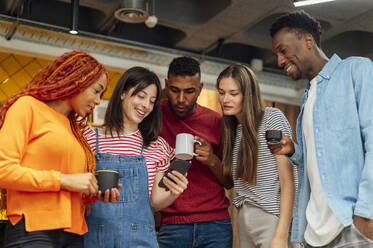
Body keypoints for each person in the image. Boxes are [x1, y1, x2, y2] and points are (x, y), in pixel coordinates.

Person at [270, 10, 373, 247]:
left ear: (308, 41)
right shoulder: (307, 98)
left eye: (283, 50)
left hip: (351, 225)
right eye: (276, 54)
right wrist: (293, 151)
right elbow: (322, 162)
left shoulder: (357, 70)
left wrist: (367, 212)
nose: (279, 61)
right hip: (313, 234)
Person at [0, 50, 110, 247]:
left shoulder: (74, 130)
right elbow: (3, 170)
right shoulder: (27, 107)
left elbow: (67, 187)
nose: (98, 101)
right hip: (32, 229)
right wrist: (64, 180)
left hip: (73, 234)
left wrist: (92, 192)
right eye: (96, 91)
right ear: (76, 80)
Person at [82, 66, 188, 248]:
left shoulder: (157, 146)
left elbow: (154, 203)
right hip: (94, 239)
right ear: (123, 93)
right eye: (141, 96)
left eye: (152, 101)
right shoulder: (89, 138)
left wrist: (174, 192)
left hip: (141, 242)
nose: (146, 105)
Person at [216, 64, 296, 248]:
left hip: (271, 219)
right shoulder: (234, 130)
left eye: (233, 93)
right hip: (244, 220)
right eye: (221, 92)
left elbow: (288, 182)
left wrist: (281, 236)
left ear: (248, 94)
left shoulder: (271, 118)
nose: (225, 99)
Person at [157, 56, 233, 248]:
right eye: (174, 90)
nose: (181, 99)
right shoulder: (153, 114)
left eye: (189, 91)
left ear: (200, 88)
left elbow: (229, 182)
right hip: (172, 224)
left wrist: (213, 160)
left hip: (215, 225)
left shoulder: (216, 122)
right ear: (166, 85)